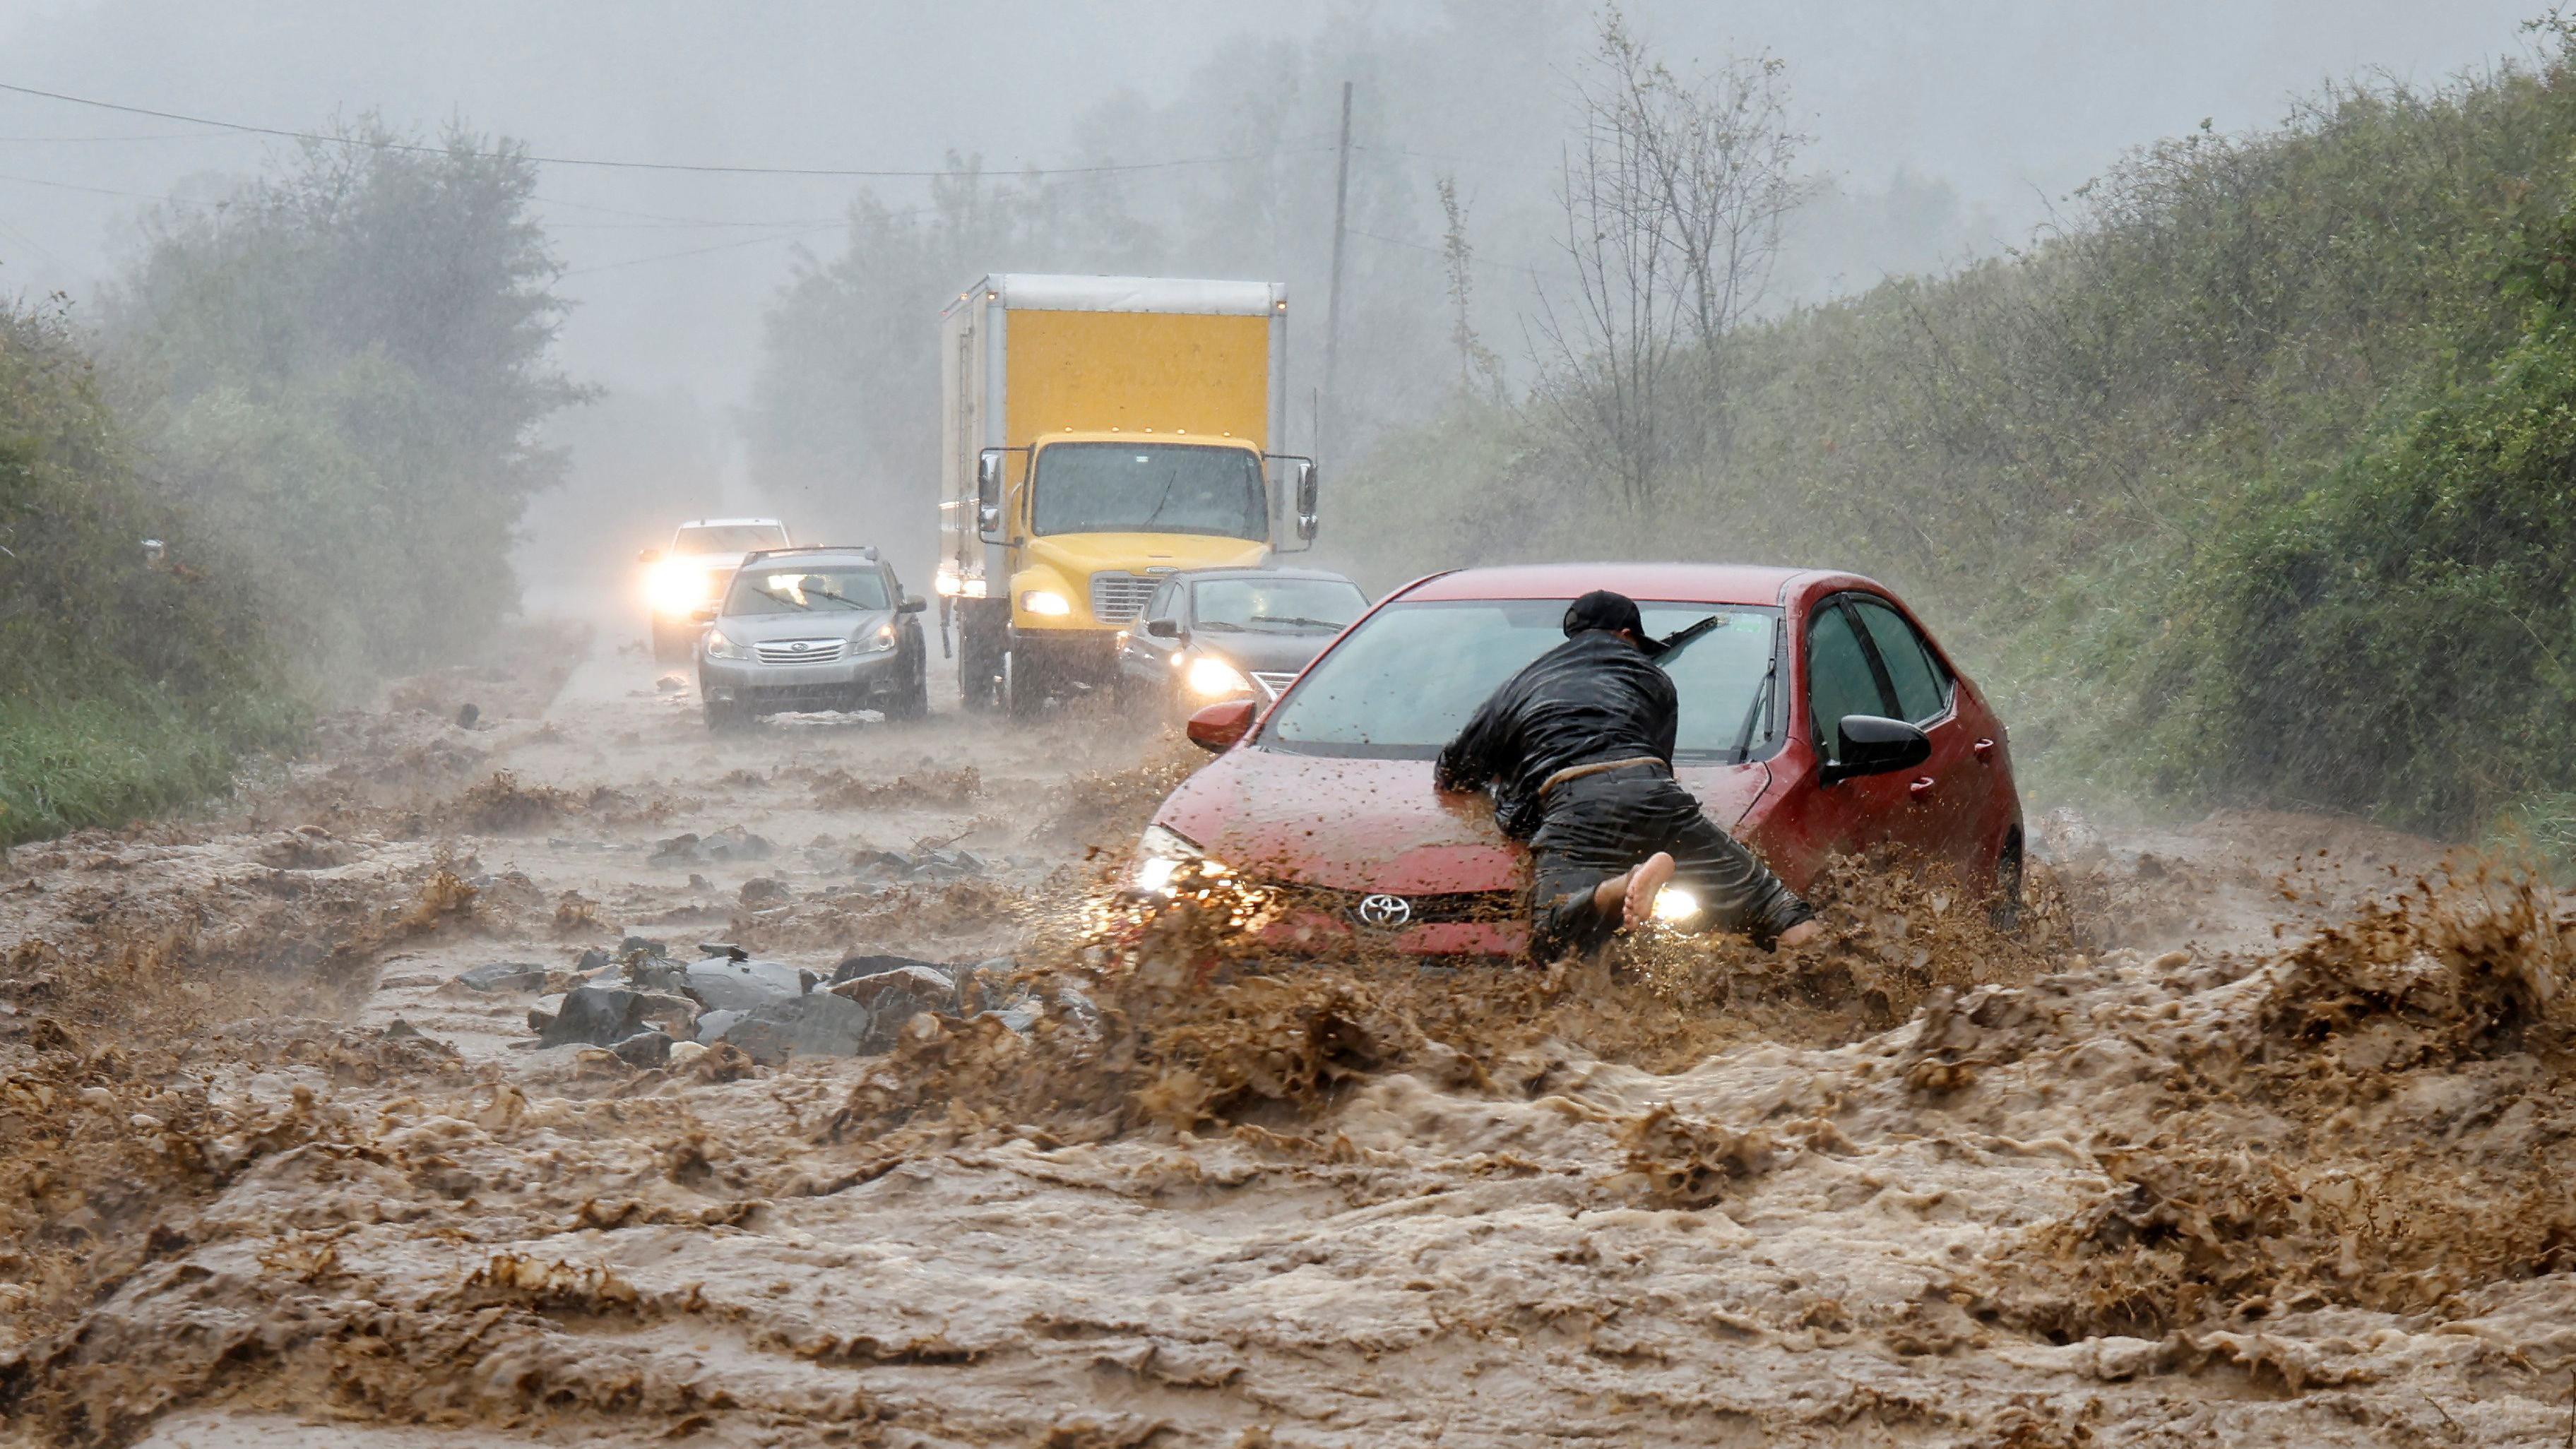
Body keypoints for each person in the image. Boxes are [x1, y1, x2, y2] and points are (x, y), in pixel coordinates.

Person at [1435, 589, 1822, 958]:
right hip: (1652, 787)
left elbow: (1454, 770)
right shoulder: (1656, 680)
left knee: (1551, 932)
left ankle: (1620, 887)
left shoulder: (1521, 685)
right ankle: (1825, 976)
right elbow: (1657, 769)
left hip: (1575, 801)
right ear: (1627, 635)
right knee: (1775, 904)